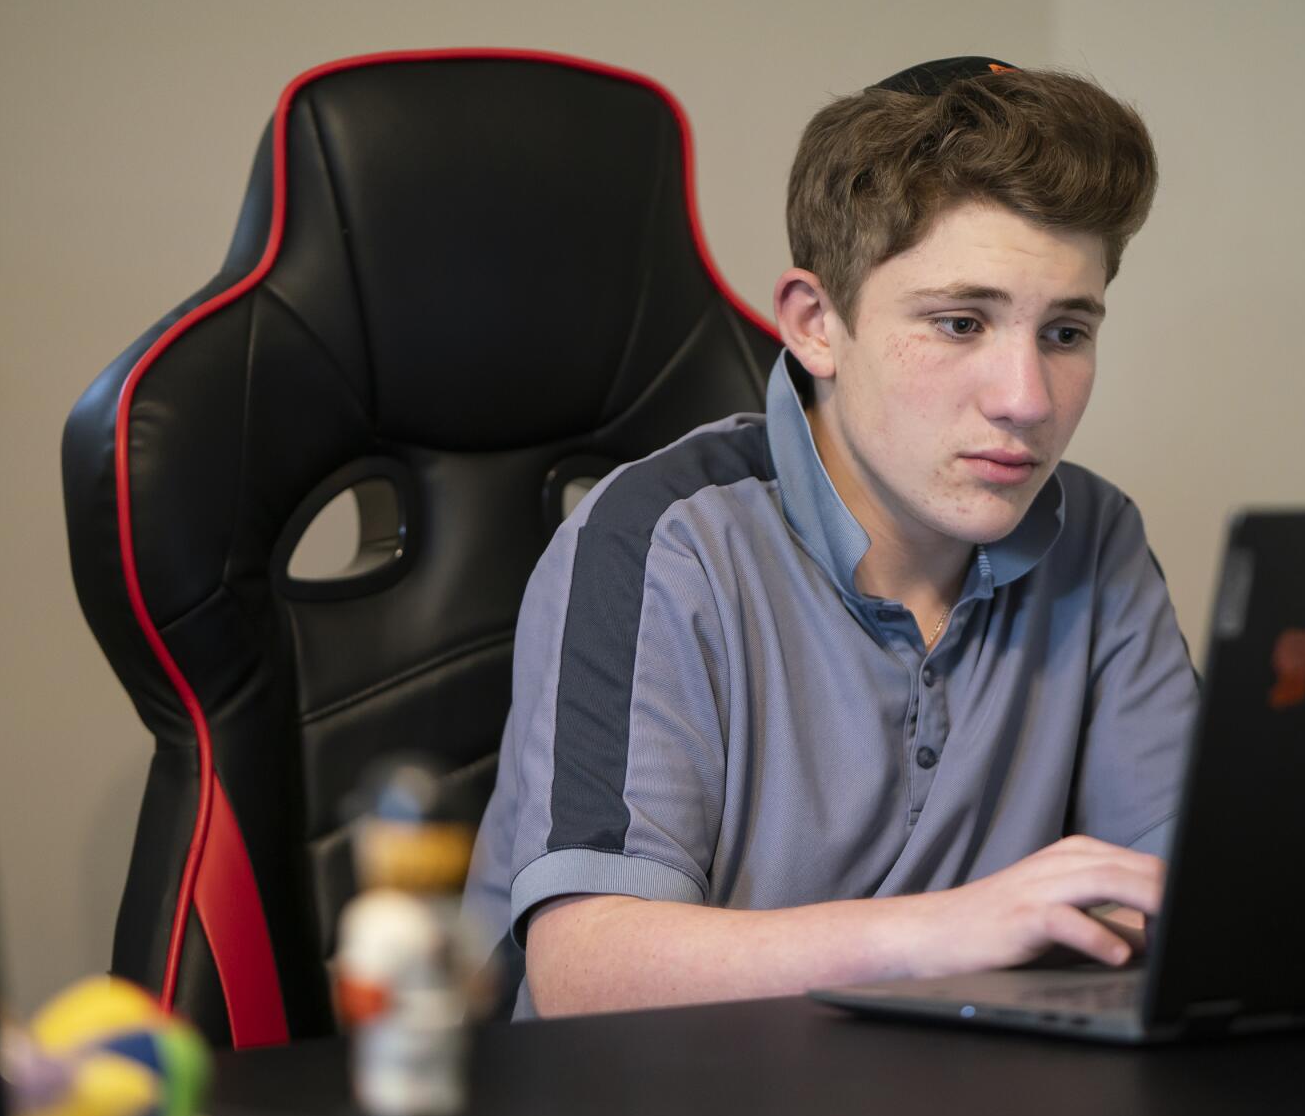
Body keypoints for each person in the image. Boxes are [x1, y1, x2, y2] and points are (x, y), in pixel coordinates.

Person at [466, 56, 1199, 1018]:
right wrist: (947, 928)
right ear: (816, 326)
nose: (1025, 400)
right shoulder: (661, 543)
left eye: (1065, 333)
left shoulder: (1095, 537)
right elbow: (586, 971)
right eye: (959, 322)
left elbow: (1188, 897)